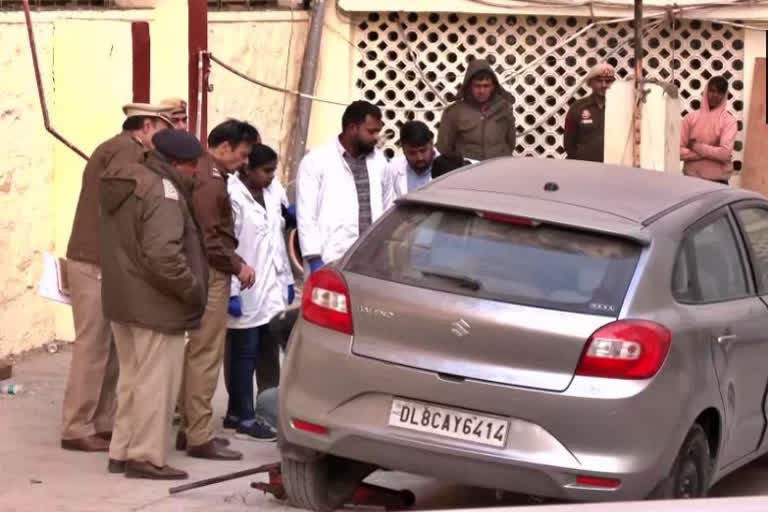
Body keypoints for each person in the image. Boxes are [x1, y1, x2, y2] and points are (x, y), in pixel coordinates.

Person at [61, 102, 173, 453]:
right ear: (149, 126)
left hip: (103, 261)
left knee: (109, 347)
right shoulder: (126, 151)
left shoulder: (121, 149)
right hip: (94, 260)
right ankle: (76, 425)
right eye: (163, 128)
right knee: (93, 346)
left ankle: (101, 420)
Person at [99, 129, 208, 480]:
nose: (197, 174)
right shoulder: (164, 192)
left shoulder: (130, 178)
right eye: (194, 167)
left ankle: (122, 450)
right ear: (180, 164)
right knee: (156, 383)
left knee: (132, 379)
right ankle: (145, 456)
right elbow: (164, 256)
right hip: (156, 303)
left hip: (123, 296)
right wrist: (192, 289)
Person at [176, 119, 260, 461]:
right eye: (242, 155)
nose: (244, 163)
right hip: (212, 271)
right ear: (224, 147)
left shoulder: (211, 173)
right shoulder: (210, 182)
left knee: (199, 352)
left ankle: (190, 427)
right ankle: (198, 434)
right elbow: (211, 239)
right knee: (206, 354)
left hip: (207, 268)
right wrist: (238, 265)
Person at [224, 144, 295, 441]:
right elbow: (228, 244)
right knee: (244, 352)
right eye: (266, 171)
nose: (271, 177)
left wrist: (288, 279)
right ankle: (242, 416)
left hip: (271, 285)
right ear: (247, 168)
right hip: (245, 284)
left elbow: (277, 242)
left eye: (273, 171)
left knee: (268, 351)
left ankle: (266, 412)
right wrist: (231, 290)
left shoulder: (271, 191)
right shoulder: (231, 195)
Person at [297, 100, 392, 273]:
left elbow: (388, 207)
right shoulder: (316, 161)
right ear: (352, 129)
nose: (376, 137)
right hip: (329, 258)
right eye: (371, 131)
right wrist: (314, 258)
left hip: (371, 259)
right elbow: (306, 215)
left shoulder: (380, 162)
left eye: (378, 131)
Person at [436, 59, 516, 161]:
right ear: (469, 86)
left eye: (486, 86)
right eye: (477, 85)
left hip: (500, 167)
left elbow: (511, 143)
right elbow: (444, 149)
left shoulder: (504, 108)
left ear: (493, 86)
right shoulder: (454, 112)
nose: (481, 91)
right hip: (468, 171)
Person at [680, 76, 738, 185]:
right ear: (706, 91)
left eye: (720, 92)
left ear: (725, 95)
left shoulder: (729, 121)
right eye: (712, 91)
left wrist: (696, 146)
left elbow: (724, 154)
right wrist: (712, 153)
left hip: (718, 183)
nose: (715, 95)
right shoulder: (690, 118)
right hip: (690, 181)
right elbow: (678, 152)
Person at [563, 63, 616, 162]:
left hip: (613, 167)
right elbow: (569, 143)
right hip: (585, 168)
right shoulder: (577, 107)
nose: (604, 85)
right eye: (599, 81)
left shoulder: (620, 107)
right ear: (590, 83)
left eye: (608, 81)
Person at [386, 121, 439, 199]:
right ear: (403, 149)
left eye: (423, 151)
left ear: (431, 143)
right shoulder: (393, 168)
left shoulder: (448, 168)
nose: (419, 157)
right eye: (412, 153)